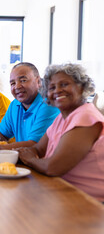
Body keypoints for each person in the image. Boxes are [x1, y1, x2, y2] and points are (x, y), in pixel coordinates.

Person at [17, 63, 104, 202]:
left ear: (81, 88)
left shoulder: (86, 116)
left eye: (64, 84)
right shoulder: (61, 117)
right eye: (52, 87)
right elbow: (38, 149)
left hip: (92, 203)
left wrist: (30, 159)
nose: (57, 90)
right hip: (63, 192)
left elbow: (52, 167)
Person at [0, 62, 60, 154]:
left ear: (39, 82)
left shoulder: (48, 104)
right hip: (25, 161)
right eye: (12, 83)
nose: (17, 86)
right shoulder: (15, 104)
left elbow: (34, 145)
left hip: (44, 164)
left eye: (23, 80)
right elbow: (1, 134)